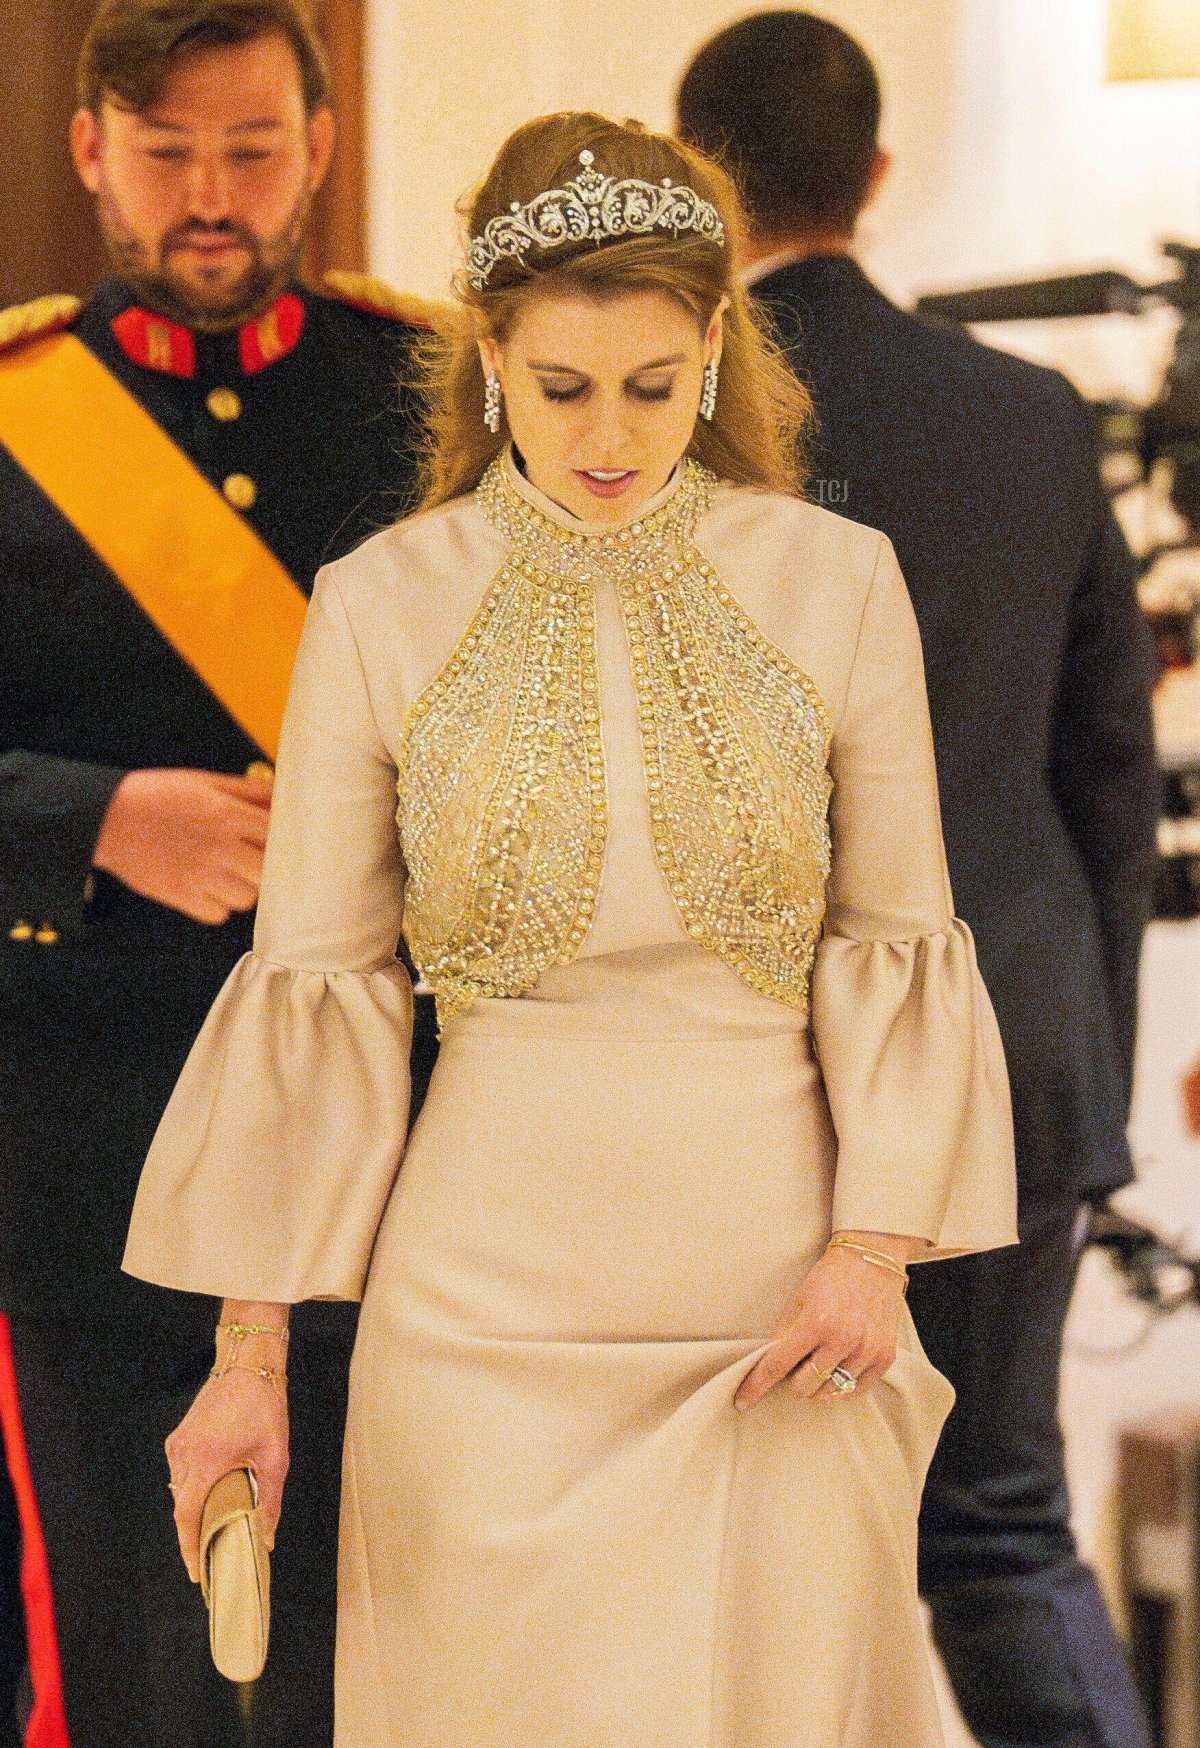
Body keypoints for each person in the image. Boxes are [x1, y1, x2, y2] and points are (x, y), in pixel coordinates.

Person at [123, 110, 1017, 1745]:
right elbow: (318, 988)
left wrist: (877, 1251)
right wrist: (249, 1354)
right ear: (489, 363)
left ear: (715, 352)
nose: (609, 435)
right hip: (474, 1334)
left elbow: (895, 935)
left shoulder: (840, 580)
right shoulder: (381, 603)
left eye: (654, 385)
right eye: (561, 388)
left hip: (783, 1309)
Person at [677, 16, 1160, 1748]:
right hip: (1017, 1050)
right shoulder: (1030, 420)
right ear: (875, 177)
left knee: (721, 1542)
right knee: (1000, 1526)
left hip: (751, 1072)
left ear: (693, 174)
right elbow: (1109, 769)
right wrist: (1084, 1054)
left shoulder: (674, 425)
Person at [0, 1, 440, 1743]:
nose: (212, 194)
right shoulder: (19, 414)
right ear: (93, 151)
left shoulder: (425, 395)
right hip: (87, 1143)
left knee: (372, 1641)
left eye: (252, 151)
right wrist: (91, 821)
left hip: (387, 1143)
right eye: (170, 151)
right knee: (128, 1658)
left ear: (318, 154)